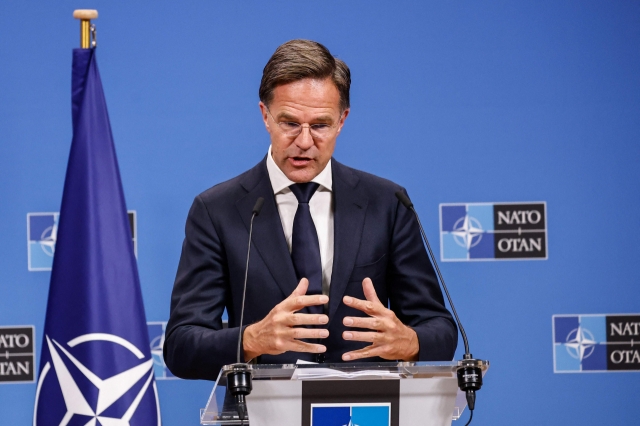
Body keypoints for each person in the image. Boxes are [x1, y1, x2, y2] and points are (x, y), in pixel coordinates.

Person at [164, 39, 457, 380]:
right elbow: (181, 346)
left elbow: (441, 330)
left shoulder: (387, 203)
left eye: (319, 125)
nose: (304, 141)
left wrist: (410, 341)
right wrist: (250, 340)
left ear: (342, 121)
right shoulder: (218, 210)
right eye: (290, 123)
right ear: (265, 116)